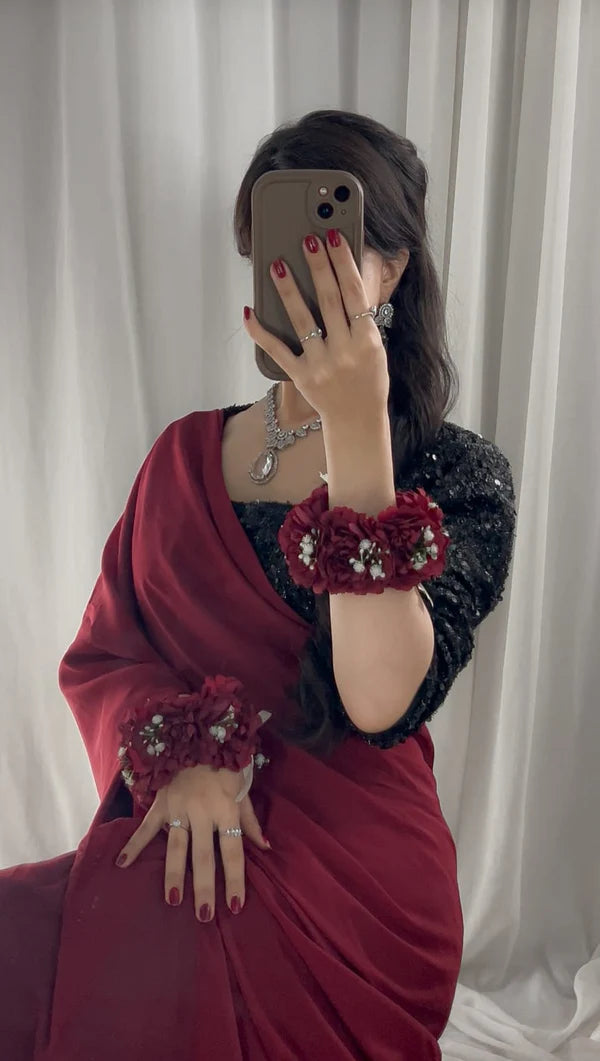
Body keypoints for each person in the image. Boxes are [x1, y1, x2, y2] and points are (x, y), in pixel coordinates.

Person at [0, 109, 517, 1060]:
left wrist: (356, 435)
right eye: (277, 249)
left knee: (155, 947)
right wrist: (187, 754)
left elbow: (377, 699)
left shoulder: (457, 475)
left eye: (334, 247)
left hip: (358, 886)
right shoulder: (184, 455)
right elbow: (105, 655)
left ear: (393, 271)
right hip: (192, 825)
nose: (299, 277)